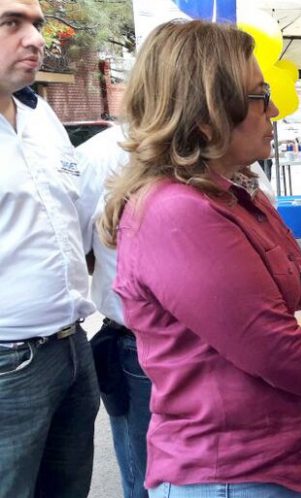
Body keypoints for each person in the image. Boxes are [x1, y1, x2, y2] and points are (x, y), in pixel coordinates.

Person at [100, 20, 301, 497]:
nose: (274, 109)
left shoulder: (235, 195)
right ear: (206, 114)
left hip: (263, 464)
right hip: (229, 473)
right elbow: (269, 343)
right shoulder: (176, 211)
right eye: (259, 95)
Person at [0, 1, 101, 496]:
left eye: (37, 24)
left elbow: (74, 221)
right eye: (10, 23)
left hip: (72, 347)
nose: (37, 39)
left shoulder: (42, 119)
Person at [77, 125, 153, 498]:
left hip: (210, 346)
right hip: (137, 347)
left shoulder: (222, 138)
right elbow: (77, 251)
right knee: (146, 479)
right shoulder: (98, 156)